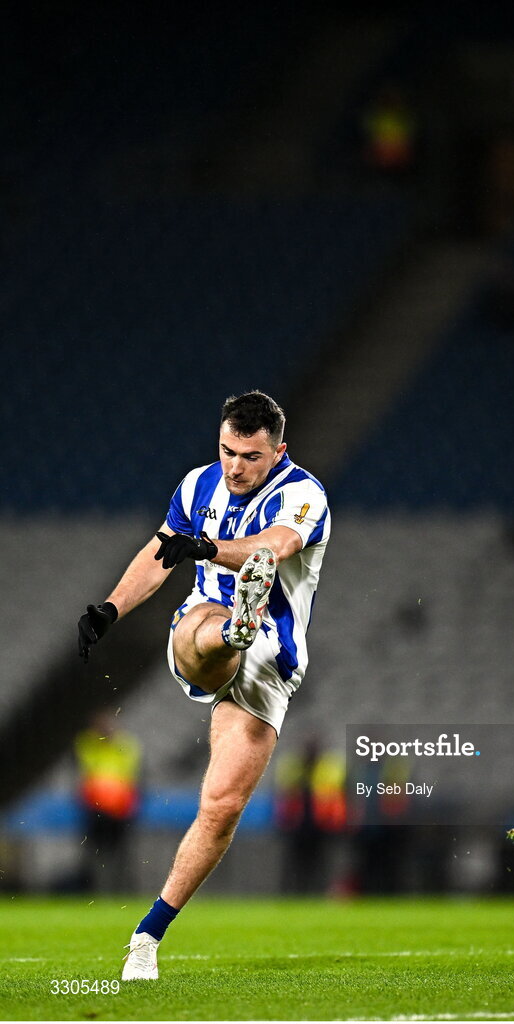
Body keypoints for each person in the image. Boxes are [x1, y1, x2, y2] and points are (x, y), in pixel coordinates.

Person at [76, 391, 331, 978]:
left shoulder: (303, 494)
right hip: (203, 626)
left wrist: (209, 548)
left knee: (221, 808)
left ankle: (147, 937)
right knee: (204, 629)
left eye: (250, 456)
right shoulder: (198, 486)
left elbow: (278, 546)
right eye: (226, 451)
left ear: (278, 451)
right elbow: (161, 553)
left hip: (273, 658)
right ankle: (231, 631)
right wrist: (110, 610)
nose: (235, 467)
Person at [75, 709, 141, 892]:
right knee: (95, 852)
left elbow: (133, 777)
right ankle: (94, 891)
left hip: (119, 809)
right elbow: (84, 774)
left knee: (121, 854)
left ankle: (122, 891)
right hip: (95, 809)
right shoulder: (88, 744)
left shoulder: (126, 745)